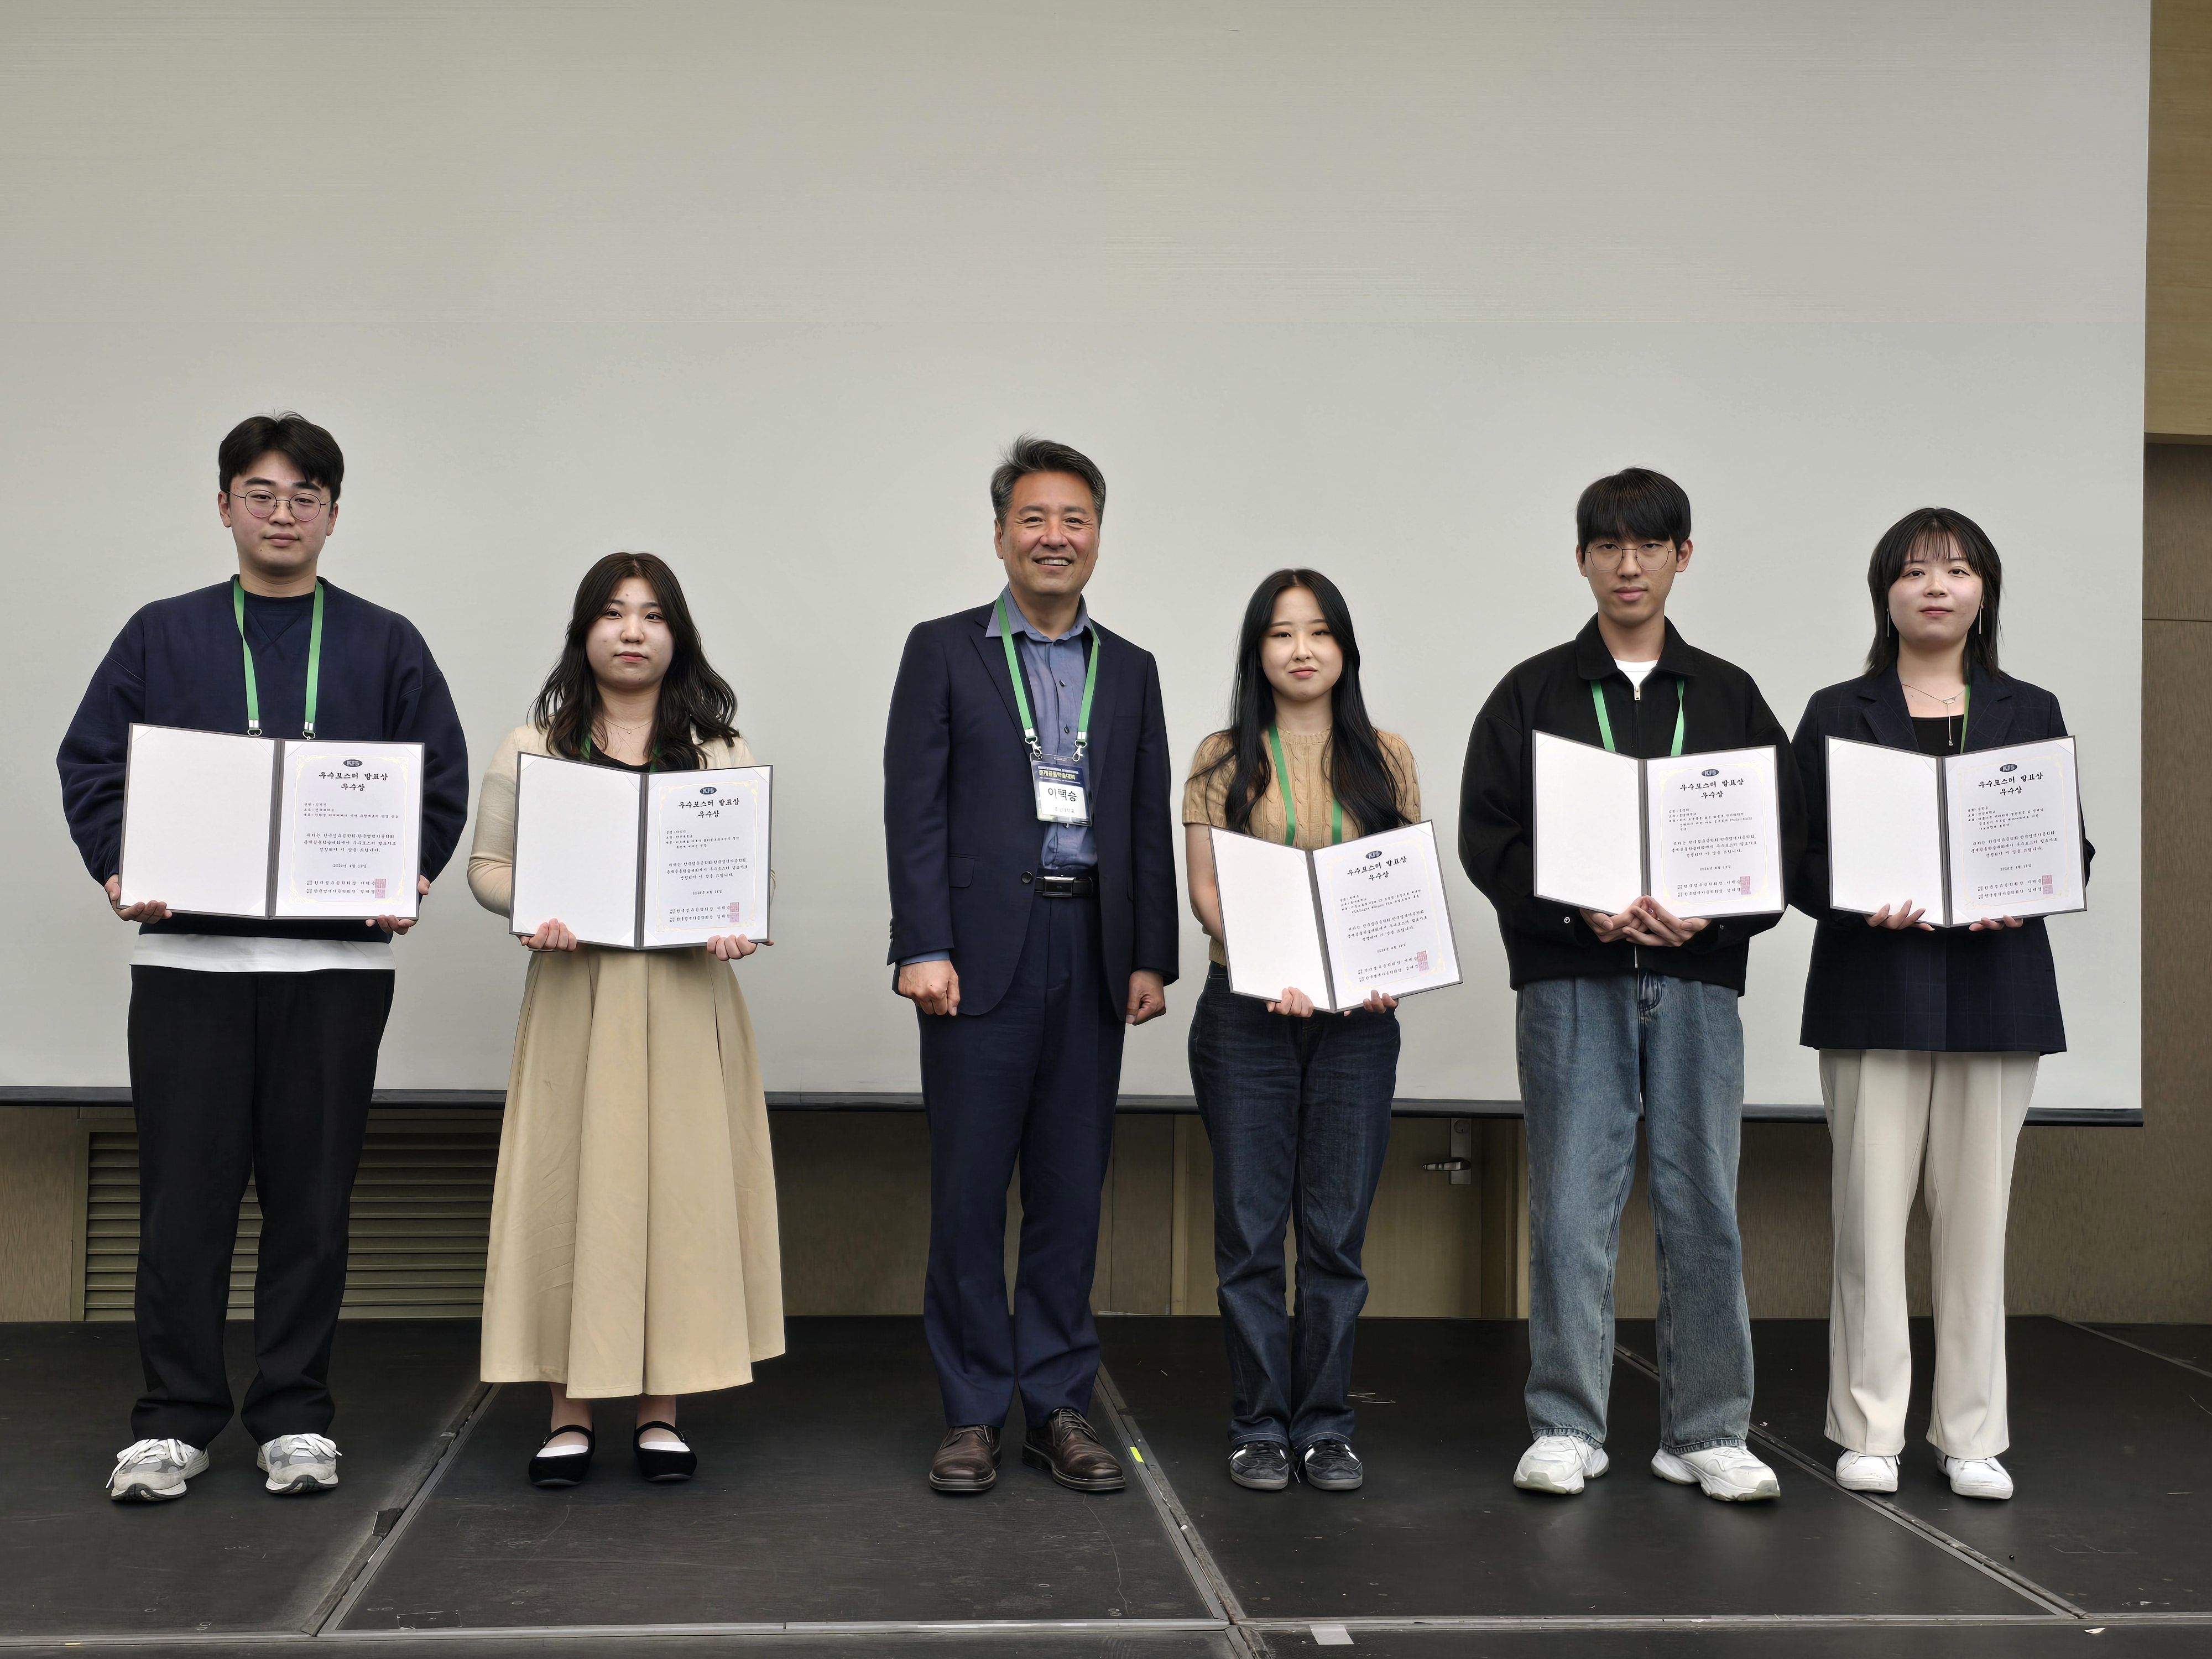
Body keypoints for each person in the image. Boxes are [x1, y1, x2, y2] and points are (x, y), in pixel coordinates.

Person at [58, 413, 469, 1502]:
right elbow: (93, 764)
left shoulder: (386, 642)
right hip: (189, 966)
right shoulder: (161, 635)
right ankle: (173, 1421)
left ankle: (294, 1416)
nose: (282, 514)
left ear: (333, 514)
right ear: (224, 505)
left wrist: (408, 871)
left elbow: (435, 777)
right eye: (260, 493)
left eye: (304, 497)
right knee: (181, 1205)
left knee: (311, 1206)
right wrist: (119, 865)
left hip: (334, 974)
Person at [1459, 466, 1802, 1504]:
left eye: (1650, 545)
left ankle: (1707, 1431)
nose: (1629, 565)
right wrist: (1580, 912)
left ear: (1682, 556)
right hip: (1574, 980)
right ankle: (1567, 1424)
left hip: (1695, 982)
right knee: (1572, 1204)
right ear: (1581, 559)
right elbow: (1489, 838)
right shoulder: (1532, 693)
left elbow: (1780, 841)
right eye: (1608, 545)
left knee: (1705, 1207)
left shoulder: (1730, 696)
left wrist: (1714, 920)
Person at [885, 436, 1178, 1495]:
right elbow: (913, 807)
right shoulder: (943, 650)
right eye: (1034, 519)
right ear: (1002, 535)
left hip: (1091, 950)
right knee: (969, 1195)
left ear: (1097, 535)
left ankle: (1058, 1406)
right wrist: (922, 944)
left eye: (1075, 520)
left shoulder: (1131, 668)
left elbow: (1144, 820)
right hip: (975, 960)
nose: (1055, 537)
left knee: (1069, 1194)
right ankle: (971, 1414)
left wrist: (1150, 957)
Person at [466, 552, 784, 1488]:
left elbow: (751, 878)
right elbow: (487, 869)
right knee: (574, 1187)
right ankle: (567, 1414)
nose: (632, 631)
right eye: (612, 613)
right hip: (579, 996)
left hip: (686, 999)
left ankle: (660, 1412)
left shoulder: (719, 750)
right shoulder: (533, 746)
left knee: (677, 1195)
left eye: (651, 615)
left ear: (676, 634)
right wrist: (534, 906)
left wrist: (738, 923)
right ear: (585, 631)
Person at [1791, 508, 2084, 1503]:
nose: (1936, 587)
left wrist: (2026, 889)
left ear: (1984, 592)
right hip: (1872, 985)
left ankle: (1972, 1435)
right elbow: (1796, 855)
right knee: (1869, 1222)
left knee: (1976, 1227)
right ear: (1885, 593)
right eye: (1914, 571)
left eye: (1957, 570)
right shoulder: (1839, 710)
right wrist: (1855, 895)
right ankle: (1868, 1427)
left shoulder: (2029, 709)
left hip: (1998, 990)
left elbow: (2067, 846)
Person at [1182, 570, 1420, 1495]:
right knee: (1249, 1235)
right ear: (1259, 652)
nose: (1303, 650)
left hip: (1357, 1026)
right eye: (1282, 634)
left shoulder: (1387, 756)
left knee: (1334, 1238)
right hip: (1247, 1018)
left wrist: (1385, 967)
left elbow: (1398, 886)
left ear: (1345, 649)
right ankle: (1258, 1426)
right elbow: (1207, 891)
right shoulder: (1221, 756)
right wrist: (1266, 965)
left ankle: (1324, 1425)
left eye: (1320, 632)